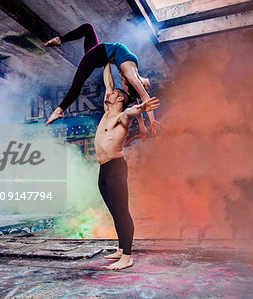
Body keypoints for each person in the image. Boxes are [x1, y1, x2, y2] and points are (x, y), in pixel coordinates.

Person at [44, 23, 161, 137]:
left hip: (99, 54)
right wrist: (142, 126)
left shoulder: (131, 75)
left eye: (147, 87)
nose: (148, 86)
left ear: (140, 84)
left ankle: (60, 109)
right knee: (87, 28)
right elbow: (136, 101)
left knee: (77, 84)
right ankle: (60, 39)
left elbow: (144, 98)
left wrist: (152, 120)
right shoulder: (130, 77)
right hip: (101, 56)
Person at [95, 63, 160, 270]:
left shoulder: (121, 117)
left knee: (122, 211)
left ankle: (128, 257)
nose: (109, 94)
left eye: (113, 93)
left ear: (120, 98)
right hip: (103, 170)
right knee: (114, 211)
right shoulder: (107, 111)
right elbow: (108, 82)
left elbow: (132, 111)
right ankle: (121, 249)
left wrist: (142, 108)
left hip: (115, 168)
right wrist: (107, 59)